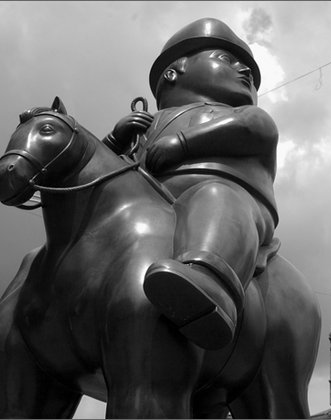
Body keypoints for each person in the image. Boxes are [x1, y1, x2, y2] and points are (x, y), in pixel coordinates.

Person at [101, 18, 279, 350]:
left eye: (251, 74)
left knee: (215, 197)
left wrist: (182, 144)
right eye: (227, 60)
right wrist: (113, 142)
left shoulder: (243, 115)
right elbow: (107, 178)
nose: (245, 73)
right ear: (174, 72)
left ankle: (210, 285)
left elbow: (257, 128)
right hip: (154, 206)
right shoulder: (147, 126)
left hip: (233, 201)